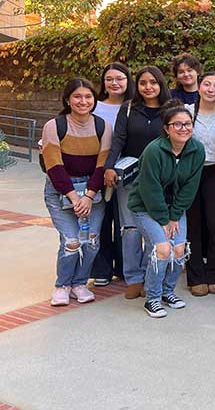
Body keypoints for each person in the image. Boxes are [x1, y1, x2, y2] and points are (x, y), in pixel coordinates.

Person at [127, 100, 205, 318]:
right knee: (163, 249)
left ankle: (167, 292)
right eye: (177, 124)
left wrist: (173, 216)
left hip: (174, 209)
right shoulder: (154, 151)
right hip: (145, 207)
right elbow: (149, 190)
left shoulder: (197, 150)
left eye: (188, 124)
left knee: (179, 249)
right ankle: (152, 297)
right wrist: (163, 219)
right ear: (166, 128)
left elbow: (189, 189)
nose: (184, 128)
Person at [42, 78, 112, 306]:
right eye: (77, 96)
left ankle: (79, 283)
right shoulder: (55, 125)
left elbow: (102, 165)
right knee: (71, 241)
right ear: (68, 99)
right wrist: (74, 196)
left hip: (93, 192)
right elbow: (54, 165)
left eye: (88, 96)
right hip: (61, 190)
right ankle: (62, 285)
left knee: (91, 241)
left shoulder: (103, 126)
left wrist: (89, 195)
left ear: (94, 99)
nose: (83, 101)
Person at [103, 66, 171, 300]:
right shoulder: (129, 108)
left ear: (161, 84)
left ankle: (151, 276)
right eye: (143, 82)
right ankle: (134, 278)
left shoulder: (171, 110)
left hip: (161, 179)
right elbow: (118, 140)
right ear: (137, 85)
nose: (148, 87)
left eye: (153, 82)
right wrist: (109, 166)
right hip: (130, 178)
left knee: (155, 230)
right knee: (130, 229)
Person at [185, 71, 215, 296]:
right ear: (199, 86)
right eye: (207, 84)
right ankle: (195, 276)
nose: (211, 89)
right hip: (190, 172)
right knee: (193, 225)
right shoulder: (186, 112)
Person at [91, 62, 134, 287]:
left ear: (128, 81)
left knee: (126, 222)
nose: (114, 83)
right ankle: (102, 268)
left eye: (119, 78)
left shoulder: (133, 106)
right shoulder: (94, 105)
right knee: (101, 219)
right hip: (98, 169)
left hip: (127, 172)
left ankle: (126, 267)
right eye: (109, 79)